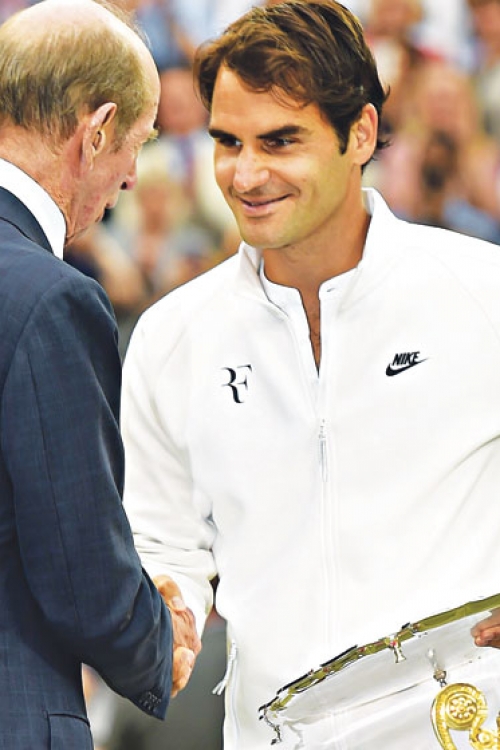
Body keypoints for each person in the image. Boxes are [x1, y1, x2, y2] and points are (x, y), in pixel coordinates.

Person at [121, 1, 500, 748]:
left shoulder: (481, 293)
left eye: (280, 141)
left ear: (360, 133)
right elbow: (159, 543)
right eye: (228, 142)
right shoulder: (171, 338)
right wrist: (171, 605)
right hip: (271, 735)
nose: (246, 174)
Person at [0, 1, 201, 748]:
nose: (132, 178)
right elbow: (79, 565)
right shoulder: (51, 298)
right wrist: (156, 639)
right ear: (97, 130)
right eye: (139, 144)